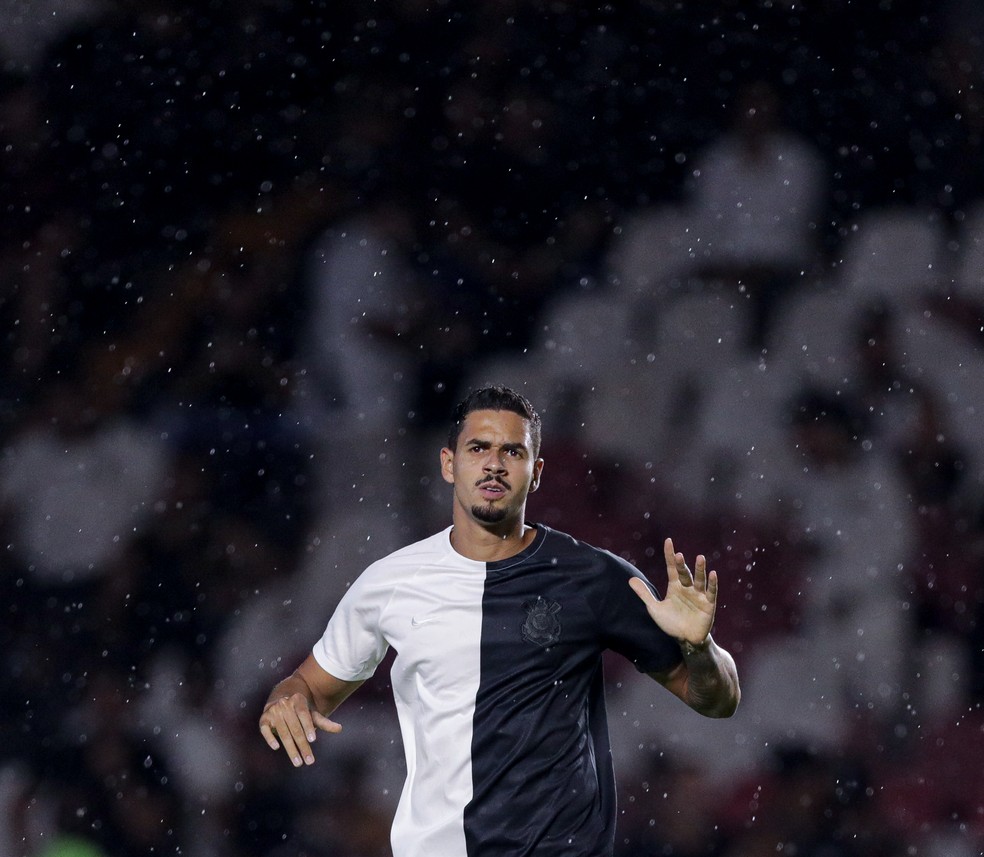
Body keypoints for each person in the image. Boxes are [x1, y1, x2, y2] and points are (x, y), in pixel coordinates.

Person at [258, 384, 740, 857]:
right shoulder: (389, 583)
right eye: (478, 448)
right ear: (449, 464)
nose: (494, 464)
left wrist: (701, 648)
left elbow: (717, 701)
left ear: (536, 473)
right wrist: (286, 699)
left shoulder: (593, 577)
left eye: (512, 451)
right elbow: (308, 685)